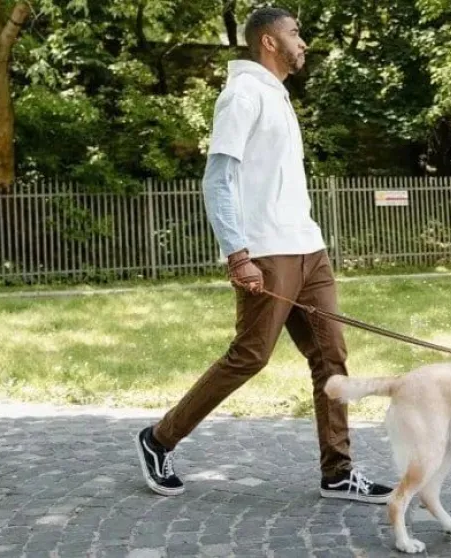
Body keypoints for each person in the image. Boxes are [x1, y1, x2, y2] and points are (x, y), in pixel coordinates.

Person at [134, 6, 393, 504]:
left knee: (331, 356)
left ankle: (338, 472)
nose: (303, 41)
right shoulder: (243, 94)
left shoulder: (277, 95)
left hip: (308, 247)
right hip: (268, 251)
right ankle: (159, 439)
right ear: (269, 42)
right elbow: (217, 179)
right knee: (250, 356)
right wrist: (237, 254)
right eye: (295, 33)